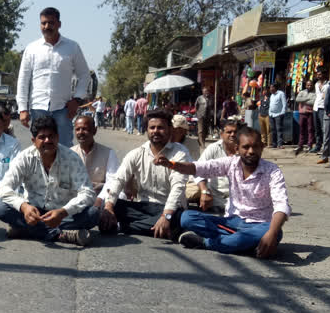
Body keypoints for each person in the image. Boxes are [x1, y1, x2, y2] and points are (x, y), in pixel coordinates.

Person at [155, 126, 291, 258]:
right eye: (246, 147)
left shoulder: (272, 171)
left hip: (259, 225)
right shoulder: (231, 163)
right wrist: (171, 164)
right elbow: (198, 168)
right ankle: (240, 243)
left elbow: (282, 205)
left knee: (275, 232)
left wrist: (271, 233)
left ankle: (206, 242)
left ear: (262, 147)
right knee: (187, 218)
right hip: (231, 223)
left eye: (255, 147)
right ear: (237, 148)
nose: (251, 151)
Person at [0, 116, 98, 246]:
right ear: (33, 140)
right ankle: (61, 235)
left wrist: (63, 212)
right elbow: (3, 188)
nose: (48, 140)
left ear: (58, 137)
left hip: (62, 214)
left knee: (93, 214)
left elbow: (88, 193)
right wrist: (24, 207)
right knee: (1, 209)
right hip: (34, 212)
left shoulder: (72, 158)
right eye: (42, 137)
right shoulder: (25, 158)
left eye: (51, 136)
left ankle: (27, 231)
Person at [99, 110, 191, 239]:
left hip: (168, 209)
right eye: (152, 127)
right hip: (142, 207)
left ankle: (123, 227)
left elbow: (178, 187)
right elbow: (118, 179)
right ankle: (154, 228)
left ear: (170, 130)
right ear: (147, 130)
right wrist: (109, 207)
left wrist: (166, 216)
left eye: (160, 127)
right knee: (106, 205)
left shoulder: (180, 153)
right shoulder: (137, 153)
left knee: (180, 217)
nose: (155, 131)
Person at [16, 7, 90, 147]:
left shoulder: (72, 47)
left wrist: (77, 100)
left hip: (63, 108)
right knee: (39, 149)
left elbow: (85, 75)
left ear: (59, 24)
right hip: (38, 107)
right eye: (43, 23)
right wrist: (22, 108)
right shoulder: (32, 48)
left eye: (51, 22)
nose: (47, 26)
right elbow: (23, 79)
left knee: (64, 149)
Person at [187, 120, 239, 213]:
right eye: (229, 132)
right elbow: (198, 169)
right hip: (215, 197)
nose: (232, 135)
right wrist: (204, 191)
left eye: (235, 132)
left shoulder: (244, 150)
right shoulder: (213, 148)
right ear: (221, 134)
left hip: (238, 199)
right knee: (188, 218)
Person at [71, 115, 120, 209]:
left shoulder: (108, 153)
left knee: (119, 195)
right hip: (76, 198)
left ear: (94, 130)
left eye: (85, 129)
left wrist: (100, 198)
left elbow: (112, 180)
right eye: (78, 129)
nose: (81, 132)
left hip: (101, 197)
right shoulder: (70, 153)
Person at [295, 79, 316, 155]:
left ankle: (309, 144)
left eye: (310, 85)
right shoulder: (302, 92)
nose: (309, 86)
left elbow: (313, 102)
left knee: (310, 129)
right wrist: (307, 99)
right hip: (302, 113)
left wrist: (303, 100)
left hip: (310, 113)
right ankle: (300, 145)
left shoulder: (315, 93)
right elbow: (297, 99)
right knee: (301, 129)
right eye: (308, 85)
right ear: (305, 85)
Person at [311, 69, 327, 153]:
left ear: (324, 75)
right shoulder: (316, 84)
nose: (318, 76)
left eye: (320, 74)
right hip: (316, 107)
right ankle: (317, 146)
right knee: (317, 129)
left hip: (323, 107)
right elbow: (317, 96)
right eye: (317, 74)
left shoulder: (328, 84)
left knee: (323, 128)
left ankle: (324, 147)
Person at [268, 83, 287, 148]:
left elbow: (284, 103)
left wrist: (283, 112)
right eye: (270, 88)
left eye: (272, 87)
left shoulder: (281, 94)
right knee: (273, 129)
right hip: (271, 114)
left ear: (275, 88)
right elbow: (271, 104)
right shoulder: (271, 95)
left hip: (279, 114)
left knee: (279, 129)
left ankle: (280, 144)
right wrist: (269, 112)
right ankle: (274, 144)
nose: (270, 89)